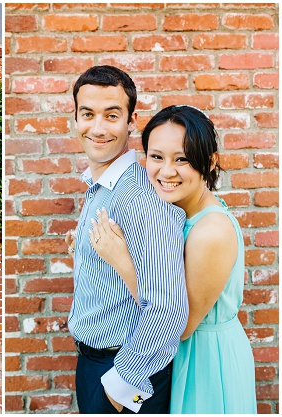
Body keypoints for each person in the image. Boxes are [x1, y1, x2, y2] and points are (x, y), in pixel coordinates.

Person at [87, 105, 257, 413]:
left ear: (209, 161)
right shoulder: (180, 212)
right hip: (180, 358)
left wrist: (120, 259)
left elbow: (181, 324)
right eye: (156, 157)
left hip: (205, 361)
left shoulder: (210, 231)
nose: (166, 171)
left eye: (181, 159)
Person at [65, 65, 188, 413]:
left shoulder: (137, 197)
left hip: (122, 371)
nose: (98, 127)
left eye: (112, 115)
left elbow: (167, 307)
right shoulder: (103, 187)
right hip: (95, 364)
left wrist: (122, 386)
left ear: (132, 120)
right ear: (75, 117)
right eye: (88, 114)